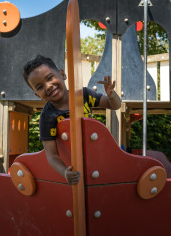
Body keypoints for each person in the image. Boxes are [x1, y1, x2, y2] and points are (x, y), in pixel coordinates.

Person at [22, 55, 121, 185]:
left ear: (62, 74)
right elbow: (52, 155)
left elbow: (114, 105)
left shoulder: (84, 95)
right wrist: (65, 172)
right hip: (72, 164)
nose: (48, 86)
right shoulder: (48, 117)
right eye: (40, 87)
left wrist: (112, 95)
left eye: (50, 78)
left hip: (95, 156)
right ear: (37, 95)